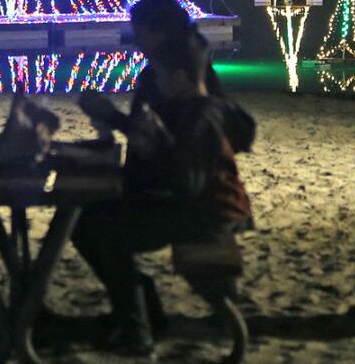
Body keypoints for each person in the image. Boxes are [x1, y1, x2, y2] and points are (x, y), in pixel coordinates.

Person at [74, 32, 255, 355]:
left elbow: (186, 183)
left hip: (206, 214)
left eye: (158, 74)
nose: (154, 83)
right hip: (198, 205)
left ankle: (138, 330)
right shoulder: (194, 108)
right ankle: (144, 312)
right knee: (87, 224)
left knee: (105, 233)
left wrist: (154, 143)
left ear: (181, 77)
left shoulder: (202, 117)